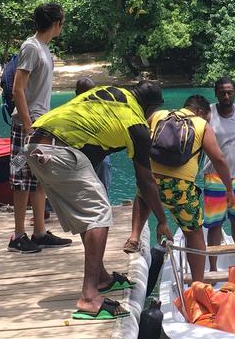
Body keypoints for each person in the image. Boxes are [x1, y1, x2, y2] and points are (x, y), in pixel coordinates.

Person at [26, 81, 169, 320]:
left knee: (90, 210)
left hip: (35, 145)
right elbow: (146, 181)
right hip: (58, 152)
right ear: (150, 107)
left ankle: (101, 278)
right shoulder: (136, 124)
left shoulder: (111, 93)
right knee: (99, 214)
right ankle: (90, 298)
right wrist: (163, 221)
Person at [128, 94, 235, 282]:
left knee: (143, 195)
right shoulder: (201, 125)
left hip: (152, 181)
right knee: (194, 234)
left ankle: (134, 236)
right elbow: (219, 158)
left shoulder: (159, 115)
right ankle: (197, 283)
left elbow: (138, 138)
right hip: (181, 187)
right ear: (200, 112)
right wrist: (229, 188)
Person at [7, 3, 73, 254]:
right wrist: (27, 125)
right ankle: (18, 235)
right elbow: (17, 88)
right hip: (27, 126)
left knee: (39, 180)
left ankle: (40, 232)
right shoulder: (31, 47)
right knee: (22, 180)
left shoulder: (44, 49)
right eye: (62, 22)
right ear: (56, 23)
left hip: (41, 125)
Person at [201, 77, 235, 264]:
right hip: (215, 178)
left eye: (229, 92)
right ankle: (214, 269)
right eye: (222, 92)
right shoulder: (208, 114)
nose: (226, 95)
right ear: (216, 93)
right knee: (215, 225)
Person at [76, 77, 112, 195]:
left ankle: (104, 198)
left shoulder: (100, 109)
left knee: (104, 164)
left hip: (98, 150)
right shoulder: (71, 110)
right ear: (77, 94)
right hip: (77, 151)